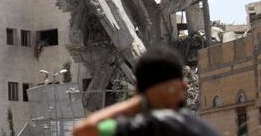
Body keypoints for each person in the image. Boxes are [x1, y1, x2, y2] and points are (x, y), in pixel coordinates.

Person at [73, 45, 220, 136]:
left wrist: (141, 101)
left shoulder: (137, 129)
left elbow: (84, 130)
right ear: (183, 87)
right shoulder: (204, 130)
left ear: (138, 91)